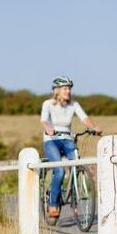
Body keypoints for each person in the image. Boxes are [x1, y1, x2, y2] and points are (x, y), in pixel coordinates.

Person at [40, 77, 101, 220]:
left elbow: (84, 118)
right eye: (65, 88)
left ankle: (75, 194)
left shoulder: (74, 104)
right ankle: (53, 204)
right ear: (57, 91)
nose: (68, 91)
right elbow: (43, 121)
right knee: (59, 171)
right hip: (52, 141)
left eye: (69, 88)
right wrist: (49, 129)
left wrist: (93, 128)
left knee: (77, 163)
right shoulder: (48, 104)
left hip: (68, 139)